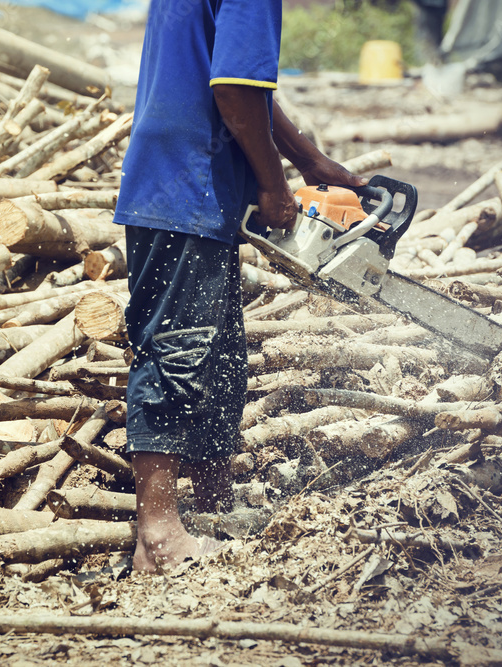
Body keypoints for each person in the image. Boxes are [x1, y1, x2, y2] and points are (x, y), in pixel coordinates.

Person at [113, 0, 367, 573]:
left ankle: (212, 506)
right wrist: (275, 187)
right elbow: (233, 91)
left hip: (186, 173)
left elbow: (244, 88)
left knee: (220, 352)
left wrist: (311, 161)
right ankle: (157, 531)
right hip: (189, 177)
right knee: (179, 350)